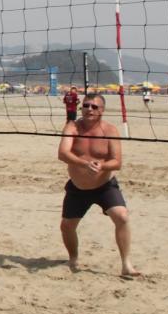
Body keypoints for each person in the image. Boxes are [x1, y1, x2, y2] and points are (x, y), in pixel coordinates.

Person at [57, 93, 140, 277]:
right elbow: (62, 153)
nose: (89, 109)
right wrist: (84, 164)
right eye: (86, 105)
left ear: (102, 110)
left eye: (94, 107)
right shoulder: (72, 127)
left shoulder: (110, 130)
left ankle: (126, 264)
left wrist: (101, 165)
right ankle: (73, 258)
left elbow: (116, 162)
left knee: (122, 217)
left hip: (105, 186)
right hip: (78, 188)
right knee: (67, 226)